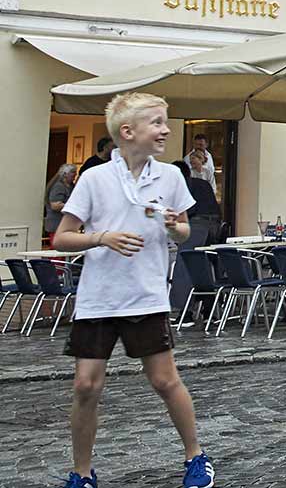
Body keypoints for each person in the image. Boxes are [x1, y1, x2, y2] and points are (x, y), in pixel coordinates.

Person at [51, 92, 214, 488]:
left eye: (165, 121)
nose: (166, 129)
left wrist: (177, 227)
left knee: (164, 380)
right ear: (128, 131)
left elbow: (184, 229)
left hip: (146, 294)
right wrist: (102, 237)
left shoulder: (171, 177)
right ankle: (82, 473)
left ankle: (197, 457)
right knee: (86, 386)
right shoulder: (94, 178)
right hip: (99, 297)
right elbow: (62, 237)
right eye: (157, 122)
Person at [170, 159, 223, 316]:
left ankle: (183, 311)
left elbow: (187, 210)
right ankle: (210, 309)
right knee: (202, 267)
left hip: (198, 226)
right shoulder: (203, 184)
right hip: (216, 228)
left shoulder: (183, 185)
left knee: (185, 262)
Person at [44, 163, 76, 238]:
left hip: (65, 225)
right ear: (65, 174)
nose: (75, 174)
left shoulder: (71, 186)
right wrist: (73, 206)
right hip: (56, 225)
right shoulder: (58, 186)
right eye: (73, 172)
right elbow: (55, 205)